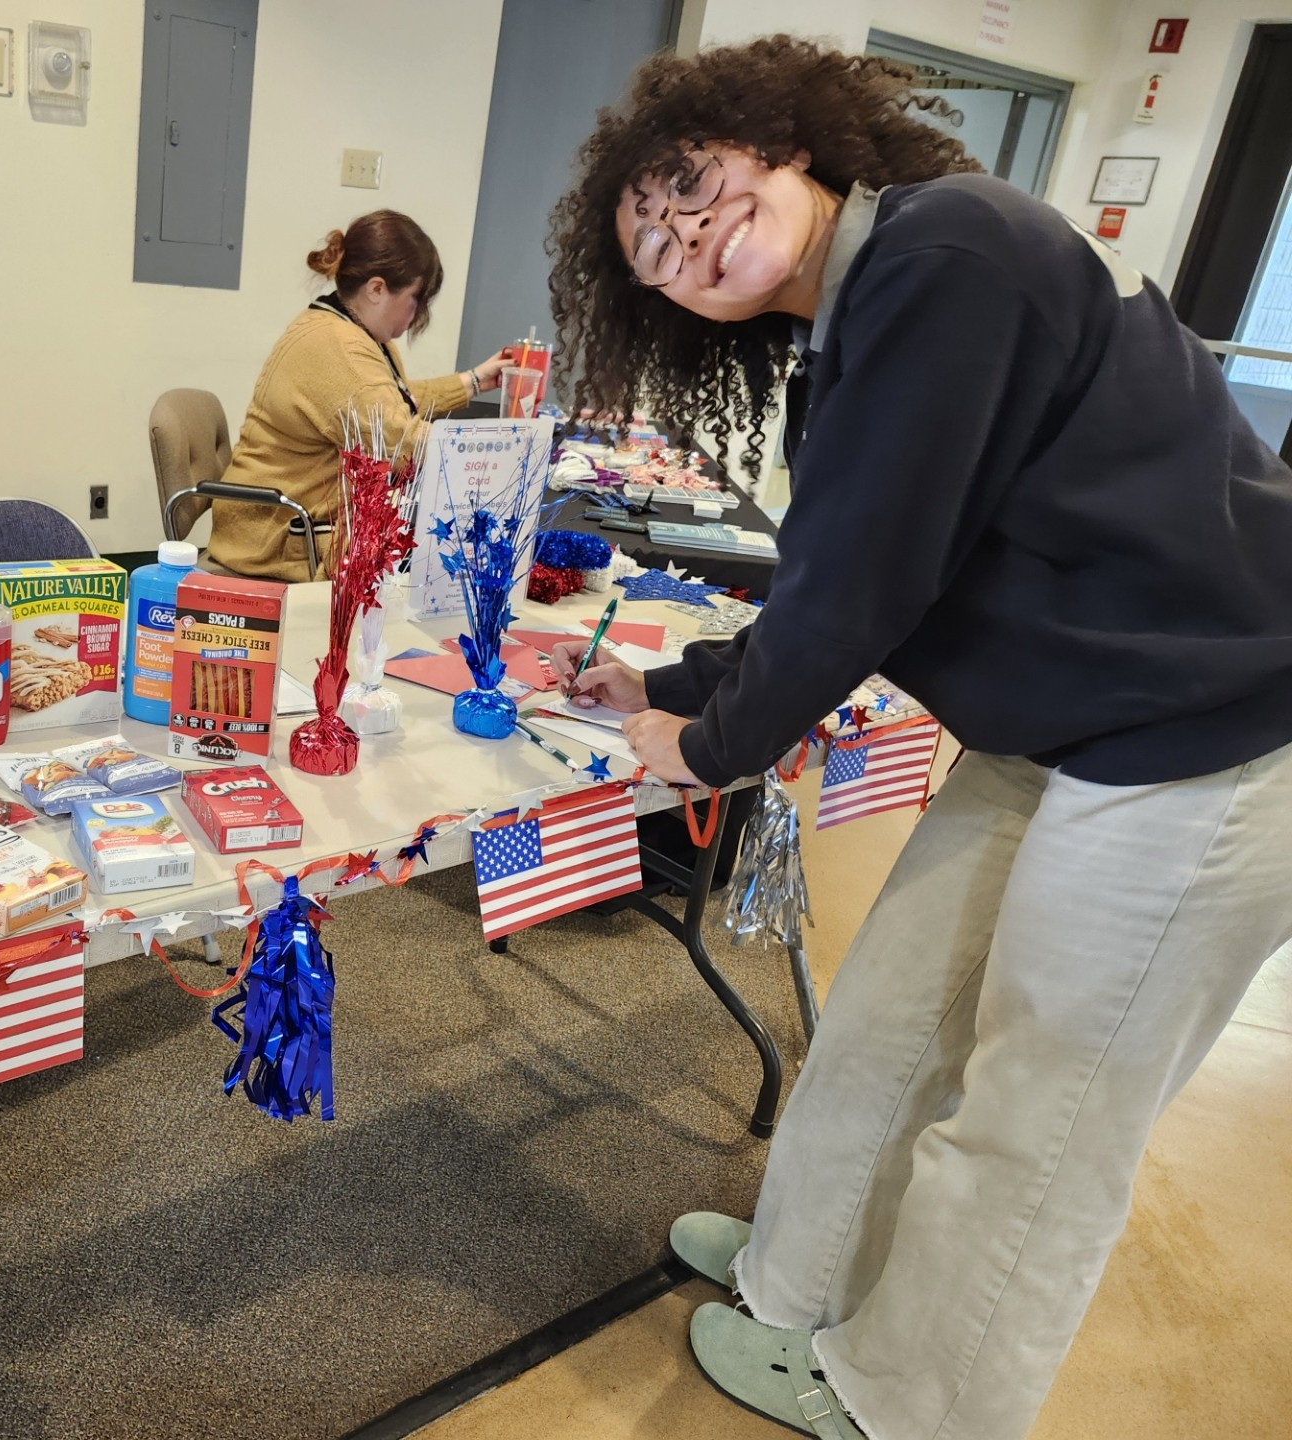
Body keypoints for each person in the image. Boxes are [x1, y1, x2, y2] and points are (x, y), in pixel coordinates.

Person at [545, 36, 1292, 1440]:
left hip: (1203, 732)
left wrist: (702, 750)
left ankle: (910, 1406)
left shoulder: (949, 249)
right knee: (890, 1020)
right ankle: (795, 1282)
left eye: (691, 187)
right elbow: (867, 565)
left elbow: (866, 573)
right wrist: (700, 685)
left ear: (784, 143)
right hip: (1054, 725)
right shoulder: (862, 318)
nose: (685, 234)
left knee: (1037, 1112)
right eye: (649, 242)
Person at [205, 210, 511, 581]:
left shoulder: (343, 327)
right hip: (276, 541)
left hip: (284, 523)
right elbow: (402, 442)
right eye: (415, 299)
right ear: (377, 288)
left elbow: (390, 401)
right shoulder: (340, 349)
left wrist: (474, 381)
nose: (416, 316)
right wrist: (505, 455)